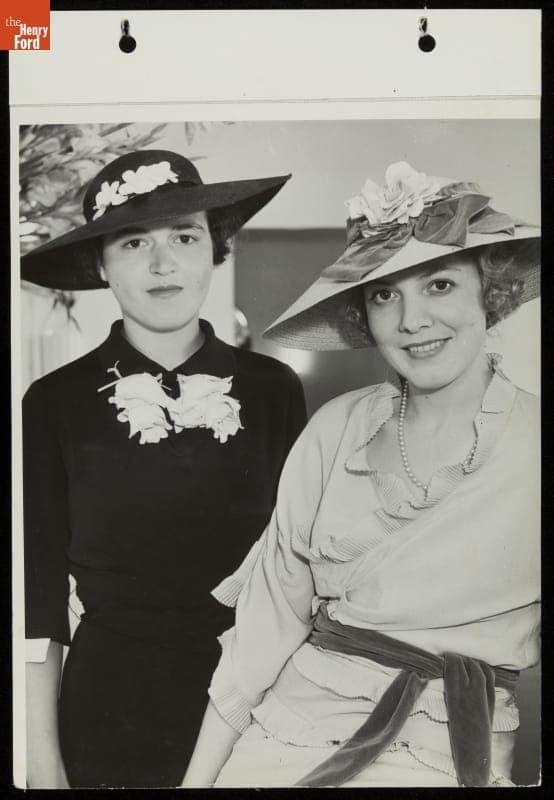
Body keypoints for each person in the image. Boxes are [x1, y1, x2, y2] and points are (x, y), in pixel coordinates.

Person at [183, 161, 540, 788]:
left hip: (450, 745)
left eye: (439, 285)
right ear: (364, 315)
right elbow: (269, 623)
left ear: (491, 290)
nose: (411, 321)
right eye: (385, 294)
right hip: (288, 728)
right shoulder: (335, 426)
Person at [21, 149, 307, 788]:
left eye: (185, 236)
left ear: (216, 248)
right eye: (132, 243)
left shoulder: (274, 390)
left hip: (251, 713)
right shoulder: (52, 402)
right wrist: (44, 769)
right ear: (101, 262)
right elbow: (37, 599)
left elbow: (298, 578)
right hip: (105, 716)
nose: (162, 262)